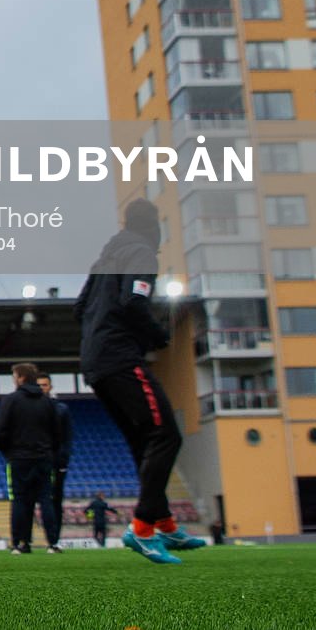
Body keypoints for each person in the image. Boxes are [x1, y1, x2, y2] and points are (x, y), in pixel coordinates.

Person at [75, 199, 203, 564]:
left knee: (144, 442)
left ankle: (164, 524)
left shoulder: (104, 259)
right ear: (154, 228)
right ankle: (142, 529)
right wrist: (158, 335)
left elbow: (79, 308)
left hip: (96, 363)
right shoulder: (141, 251)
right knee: (167, 435)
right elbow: (134, 302)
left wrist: (99, 335)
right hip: (119, 359)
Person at [0, 362, 63, 554]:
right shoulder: (48, 402)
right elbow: (57, 434)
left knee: (19, 500)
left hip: (18, 458)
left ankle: (20, 543)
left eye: (15, 376)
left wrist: (9, 453)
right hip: (43, 458)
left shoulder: (11, 400)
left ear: (21, 378)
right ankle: (53, 543)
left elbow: (0, 431)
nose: (14, 380)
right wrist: (50, 453)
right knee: (46, 499)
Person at [35, 372, 74, 542]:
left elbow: (67, 437)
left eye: (44, 385)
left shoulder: (61, 409)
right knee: (30, 500)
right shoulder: (29, 409)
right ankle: (24, 541)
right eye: (39, 385)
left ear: (50, 387)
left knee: (55, 500)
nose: (42, 388)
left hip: (56, 461)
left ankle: (54, 540)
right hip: (34, 460)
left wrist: (63, 459)